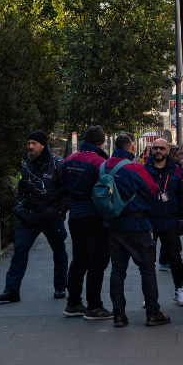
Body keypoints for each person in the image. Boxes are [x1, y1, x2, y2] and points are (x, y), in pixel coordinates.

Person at [101, 134, 169, 328]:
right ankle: (152, 313)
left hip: (113, 225)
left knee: (117, 271)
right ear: (132, 147)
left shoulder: (104, 167)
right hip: (137, 224)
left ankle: (119, 315)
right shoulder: (135, 168)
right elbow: (152, 191)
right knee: (147, 268)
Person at [0, 131, 69, 303]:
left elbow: (67, 191)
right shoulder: (26, 164)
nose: (30, 147)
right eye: (28, 143)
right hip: (30, 217)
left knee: (59, 251)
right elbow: (21, 187)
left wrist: (60, 212)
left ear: (42, 145)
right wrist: (20, 206)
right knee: (20, 250)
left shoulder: (58, 164)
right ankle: (11, 290)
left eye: (33, 143)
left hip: (51, 216)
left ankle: (60, 287)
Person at [60, 125, 113, 320]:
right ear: (101, 143)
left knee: (78, 259)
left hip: (74, 215)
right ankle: (94, 305)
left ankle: (73, 302)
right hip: (94, 216)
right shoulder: (100, 163)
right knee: (97, 261)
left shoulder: (68, 161)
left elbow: (62, 187)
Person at [145, 138, 183, 307]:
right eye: (155, 148)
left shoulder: (176, 171)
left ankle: (179, 290)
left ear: (167, 151)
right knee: (148, 260)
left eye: (162, 148)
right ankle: (149, 295)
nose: (158, 151)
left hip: (170, 220)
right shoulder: (144, 170)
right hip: (149, 221)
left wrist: (181, 214)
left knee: (175, 258)